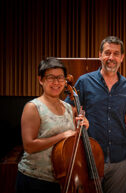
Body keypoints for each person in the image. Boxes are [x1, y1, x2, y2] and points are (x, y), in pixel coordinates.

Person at [65, 36, 126, 193]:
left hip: (120, 158)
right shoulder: (84, 81)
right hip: (91, 156)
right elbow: (68, 110)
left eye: (116, 53)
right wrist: (78, 117)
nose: (111, 57)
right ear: (100, 55)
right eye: (107, 52)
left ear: (122, 57)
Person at [15, 57, 89, 193]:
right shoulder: (33, 107)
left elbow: (71, 141)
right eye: (50, 77)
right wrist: (62, 136)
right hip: (35, 179)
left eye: (61, 78)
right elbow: (29, 146)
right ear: (40, 80)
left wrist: (83, 127)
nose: (56, 82)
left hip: (61, 179)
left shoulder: (69, 108)